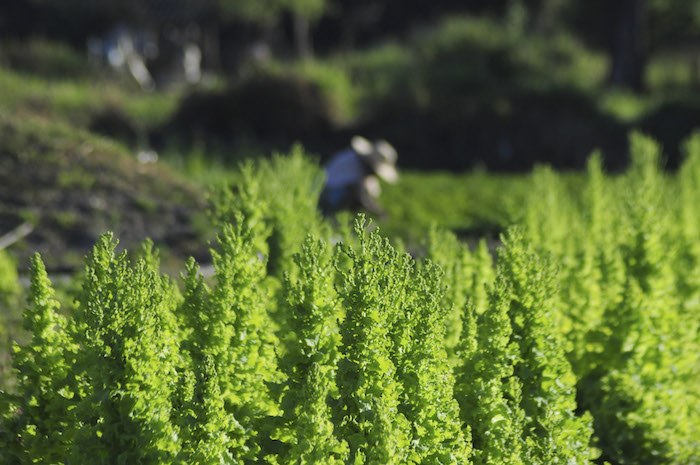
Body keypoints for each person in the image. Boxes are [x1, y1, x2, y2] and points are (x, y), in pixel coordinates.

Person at [320, 135, 399, 218]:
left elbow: (372, 192)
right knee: (353, 197)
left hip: (330, 189)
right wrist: (380, 213)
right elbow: (362, 195)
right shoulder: (354, 163)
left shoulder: (362, 165)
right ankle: (330, 216)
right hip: (328, 192)